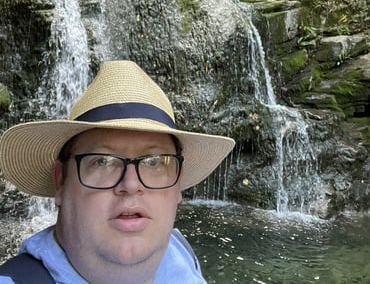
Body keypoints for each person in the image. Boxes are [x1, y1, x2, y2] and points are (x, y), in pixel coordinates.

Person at [0, 60, 235, 284]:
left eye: (154, 162)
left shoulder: (179, 251)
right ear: (61, 180)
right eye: (102, 161)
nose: (131, 184)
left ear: (178, 184)